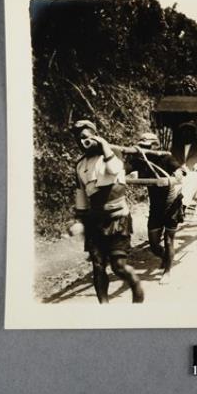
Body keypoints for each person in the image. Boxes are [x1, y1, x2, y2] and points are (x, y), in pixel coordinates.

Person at [70, 120, 144, 303]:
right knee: (98, 265)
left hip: (117, 218)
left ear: (95, 136)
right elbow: (81, 194)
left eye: (86, 137)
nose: (83, 142)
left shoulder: (112, 154)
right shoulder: (80, 165)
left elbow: (114, 169)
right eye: (79, 139)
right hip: (95, 220)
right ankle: (103, 305)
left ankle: (135, 284)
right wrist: (79, 219)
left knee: (118, 266)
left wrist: (103, 144)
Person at [125, 132, 184, 284]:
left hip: (172, 203)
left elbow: (179, 172)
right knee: (153, 245)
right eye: (141, 146)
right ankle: (166, 257)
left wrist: (175, 176)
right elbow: (123, 170)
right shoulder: (140, 160)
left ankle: (167, 271)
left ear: (155, 146)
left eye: (146, 146)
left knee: (169, 240)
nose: (143, 149)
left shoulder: (166, 157)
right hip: (155, 205)